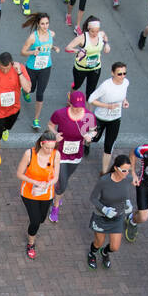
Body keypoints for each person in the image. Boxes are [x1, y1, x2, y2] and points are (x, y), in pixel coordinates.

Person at [47, 89, 97, 221]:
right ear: (70, 103)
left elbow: (93, 131)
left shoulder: (89, 116)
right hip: (60, 153)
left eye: (80, 108)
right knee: (62, 182)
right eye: (75, 107)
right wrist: (55, 134)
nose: (77, 110)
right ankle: (56, 206)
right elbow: (50, 125)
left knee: (65, 177)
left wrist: (90, 136)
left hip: (76, 154)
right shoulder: (60, 113)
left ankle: (58, 193)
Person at [16, 131, 60, 258]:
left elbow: (56, 177)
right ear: (41, 143)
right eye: (47, 148)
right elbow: (19, 174)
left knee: (41, 219)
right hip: (29, 193)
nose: (49, 150)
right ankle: (31, 243)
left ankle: (35, 227)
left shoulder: (56, 155)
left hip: (46, 193)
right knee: (35, 221)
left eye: (52, 148)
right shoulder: (29, 154)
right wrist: (35, 182)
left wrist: (47, 184)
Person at [86, 153, 132, 269]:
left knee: (115, 247)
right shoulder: (104, 181)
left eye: (128, 170)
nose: (127, 174)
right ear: (116, 168)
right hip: (101, 217)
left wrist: (127, 202)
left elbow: (125, 194)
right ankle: (92, 253)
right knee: (98, 242)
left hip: (118, 216)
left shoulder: (128, 179)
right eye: (124, 170)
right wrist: (104, 209)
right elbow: (93, 198)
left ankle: (105, 253)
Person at [20, 12, 60, 129]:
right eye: (42, 24)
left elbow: (48, 45)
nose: (45, 26)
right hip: (32, 67)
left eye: (47, 23)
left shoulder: (51, 34)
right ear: (38, 24)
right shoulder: (33, 37)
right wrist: (33, 52)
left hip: (45, 67)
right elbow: (23, 52)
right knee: (30, 89)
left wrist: (54, 47)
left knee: (40, 93)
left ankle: (36, 119)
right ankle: (25, 91)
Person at [87, 61, 127, 172]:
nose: (122, 76)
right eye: (119, 74)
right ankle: (87, 144)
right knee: (93, 138)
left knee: (108, 146)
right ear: (112, 73)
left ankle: (104, 172)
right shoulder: (106, 86)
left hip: (115, 119)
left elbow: (123, 94)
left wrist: (124, 101)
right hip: (100, 118)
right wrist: (107, 106)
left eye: (124, 73)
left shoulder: (126, 83)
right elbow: (91, 99)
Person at [0, 52, 29, 141]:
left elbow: (28, 89)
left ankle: (4, 129)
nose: (5, 71)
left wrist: (19, 72)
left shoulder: (19, 68)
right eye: (2, 69)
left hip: (13, 109)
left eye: (7, 69)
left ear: (12, 63)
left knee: (7, 127)